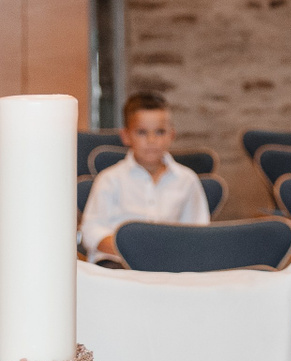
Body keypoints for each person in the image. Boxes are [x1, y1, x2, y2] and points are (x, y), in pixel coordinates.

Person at [79, 92, 209, 264]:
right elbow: (91, 231)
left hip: (169, 264)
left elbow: (198, 231)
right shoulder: (110, 179)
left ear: (172, 135)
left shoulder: (187, 180)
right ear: (126, 136)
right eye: (142, 132)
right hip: (118, 263)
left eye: (160, 132)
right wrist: (131, 250)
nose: (151, 140)